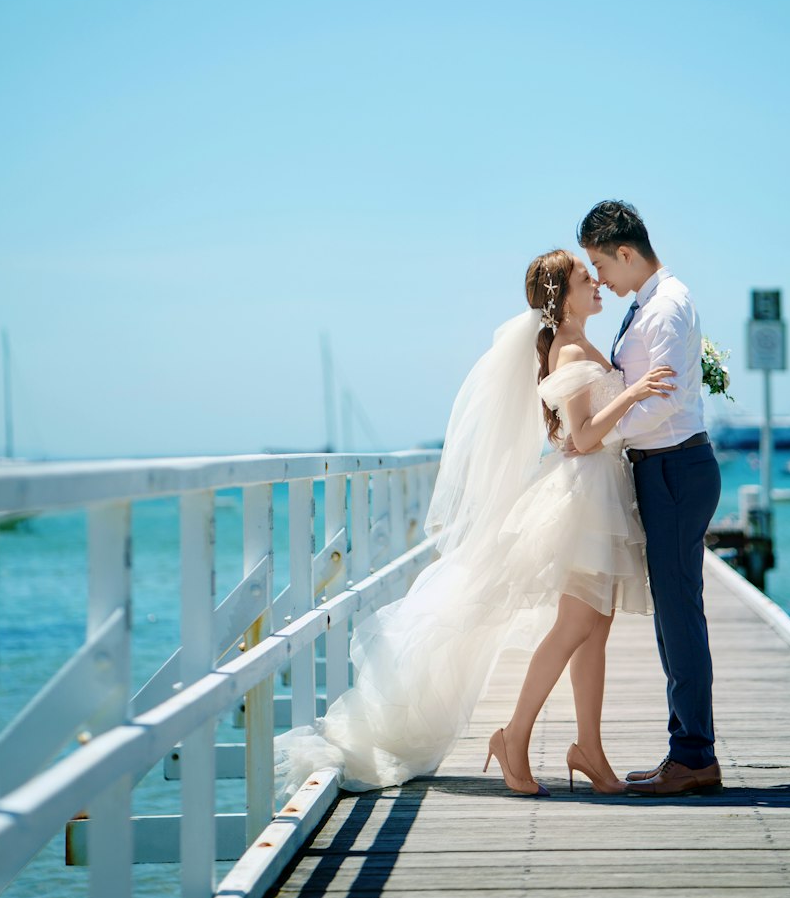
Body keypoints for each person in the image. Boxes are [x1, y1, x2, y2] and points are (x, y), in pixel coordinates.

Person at [274, 248, 673, 800]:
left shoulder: (580, 344)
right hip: (584, 499)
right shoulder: (570, 348)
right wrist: (633, 391)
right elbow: (581, 437)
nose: (596, 281)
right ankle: (514, 736)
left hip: (600, 492)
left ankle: (589, 749)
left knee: (593, 630)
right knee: (575, 627)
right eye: (586, 277)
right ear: (563, 295)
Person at [577, 199, 723, 796]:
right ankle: (686, 749)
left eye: (600, 265)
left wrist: (596, 437)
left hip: (674, 470)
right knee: (673, 614)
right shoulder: (651, 303)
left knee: (679, 615)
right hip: (663, 468)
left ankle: (693, 755)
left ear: (627, 253)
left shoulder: (664, 309)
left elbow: (663, 403)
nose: (600, 280)